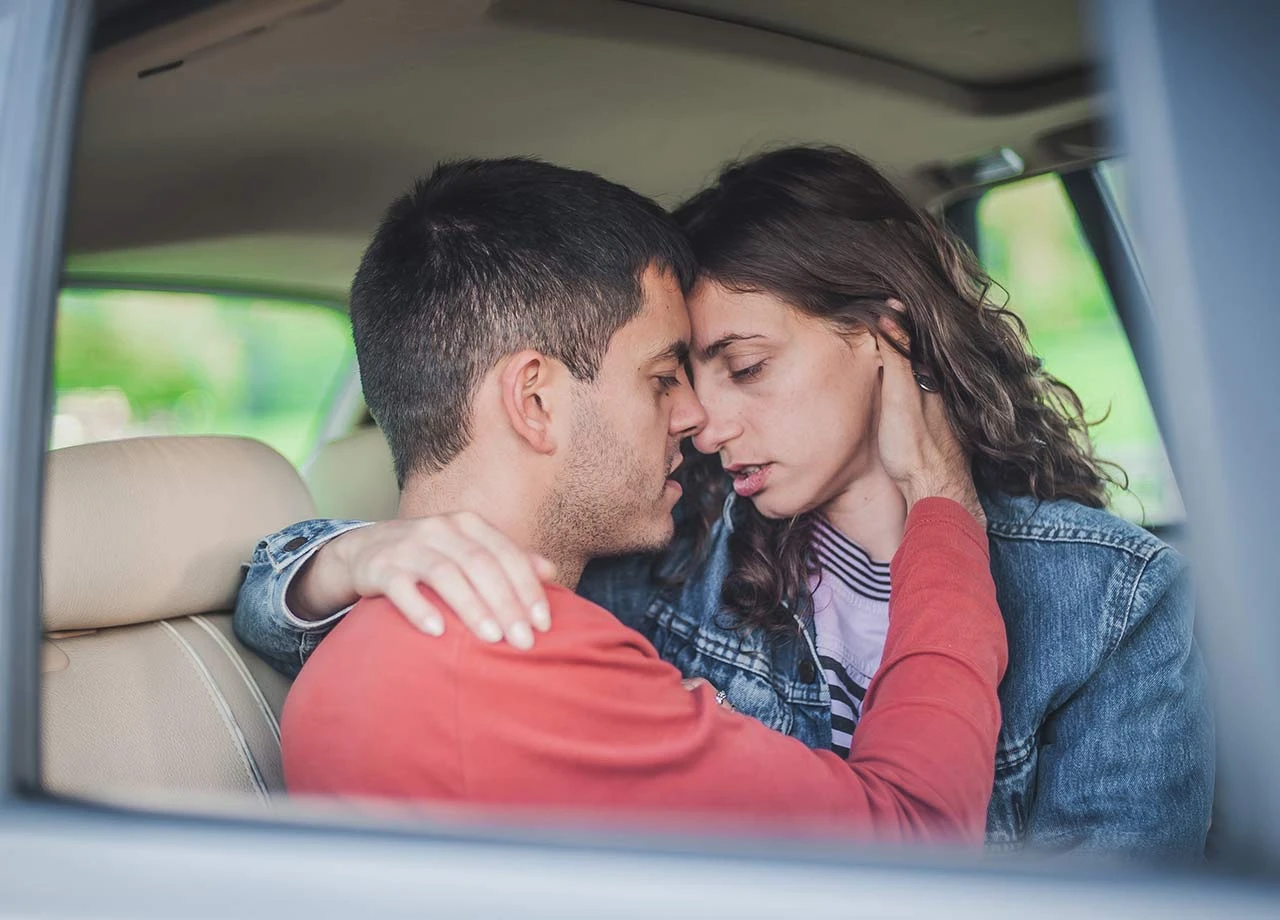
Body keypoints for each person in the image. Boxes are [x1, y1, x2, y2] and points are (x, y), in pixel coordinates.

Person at [237, 147, 1212, 858]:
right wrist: (348, 554)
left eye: (742, 366)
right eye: (673, 374)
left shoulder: (1105, 598)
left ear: (885, 338)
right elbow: (336, 615)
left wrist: (936, 506)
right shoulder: (666, 556)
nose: (700, 419)